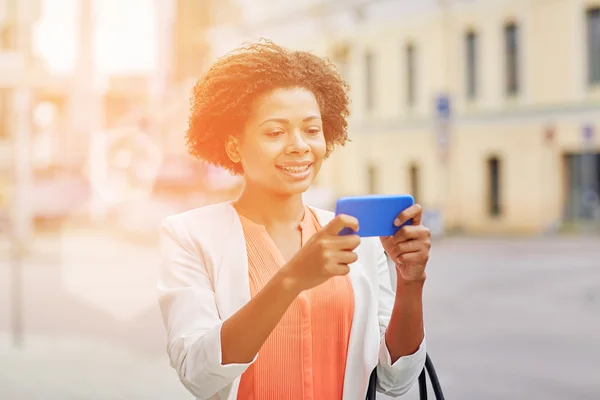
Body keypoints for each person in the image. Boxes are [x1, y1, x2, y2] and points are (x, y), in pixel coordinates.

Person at [157, 39, 431, 400]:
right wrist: (291, 279)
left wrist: (411, 283)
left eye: (312, 129)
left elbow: (395, 381)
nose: (300, 145)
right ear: (234, 146)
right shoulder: (189, 235)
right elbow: (198, 373)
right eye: (275, 132)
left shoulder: (357, 240)